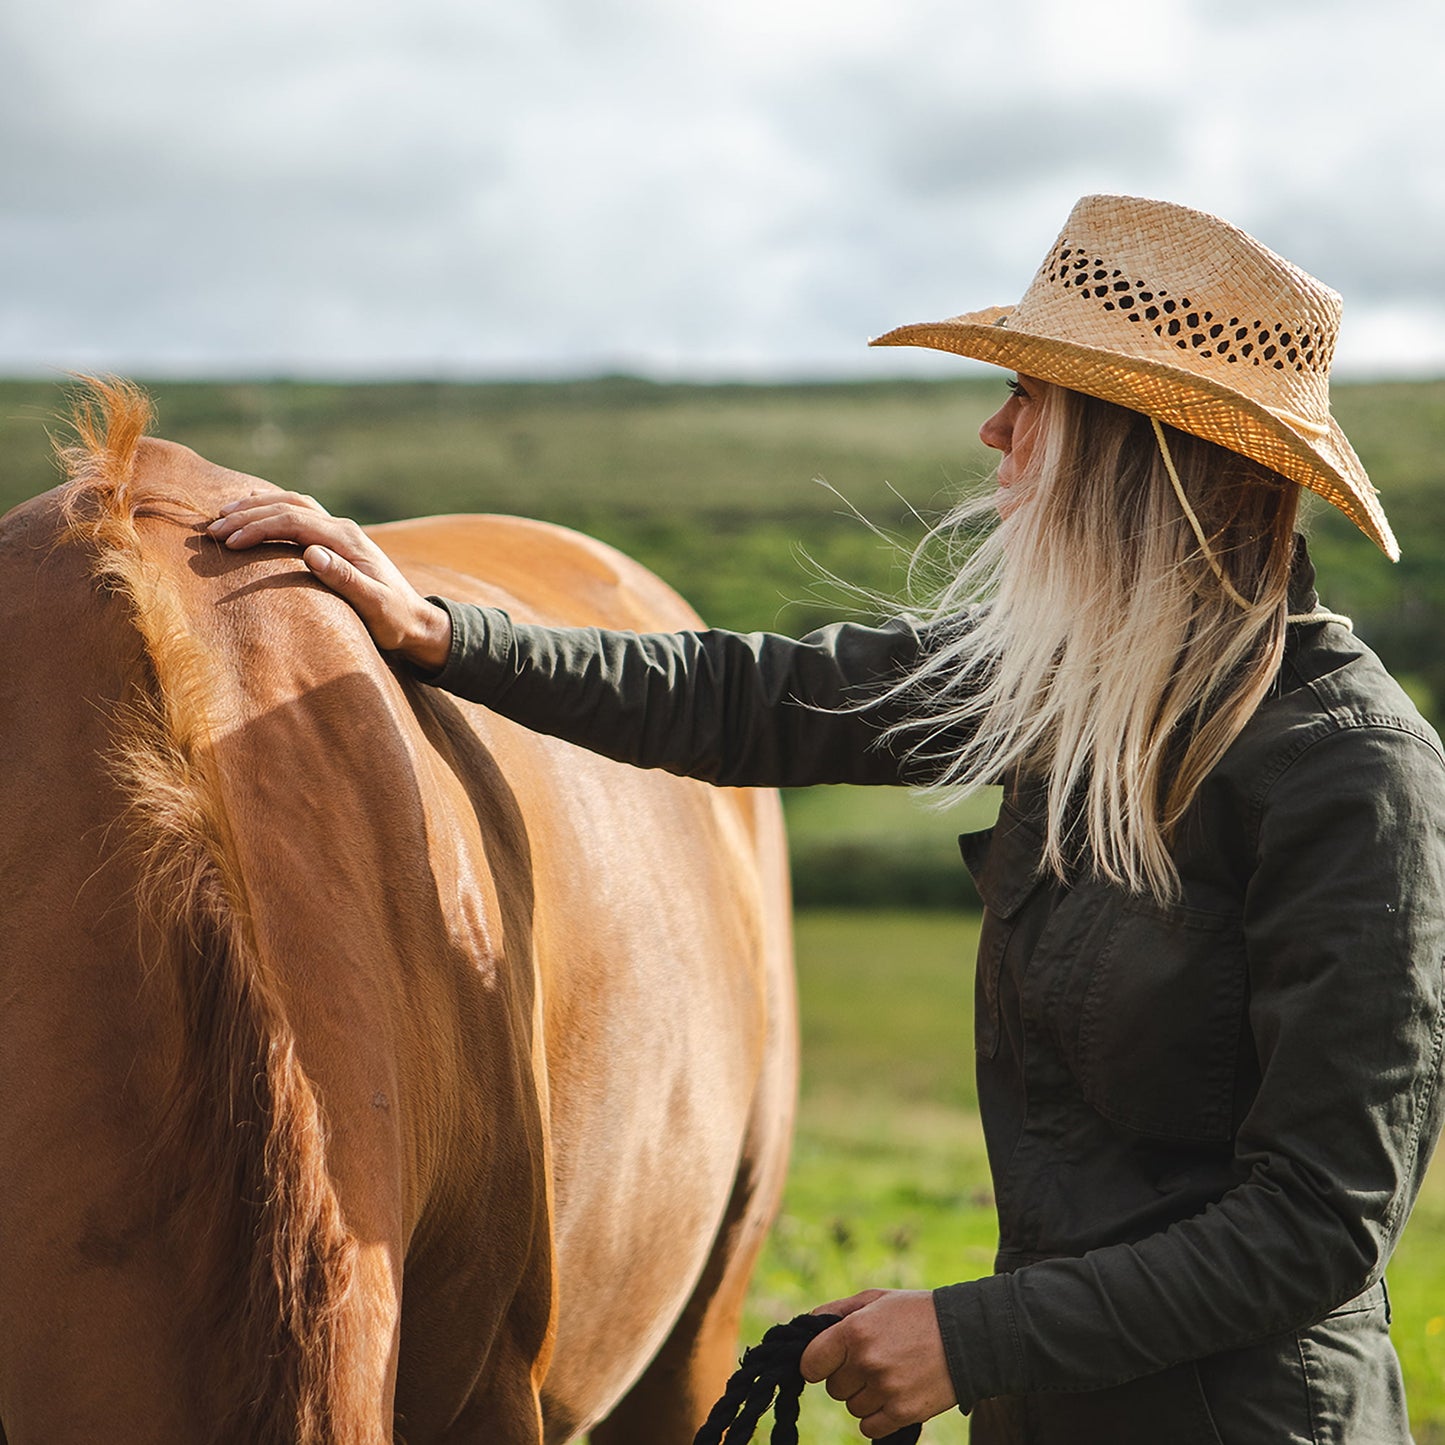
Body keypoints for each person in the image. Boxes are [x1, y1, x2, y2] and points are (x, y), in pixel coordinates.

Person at [210, 195, 1445, 1444]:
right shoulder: (1088, 682)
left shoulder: (1353, 777)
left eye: (1034, 398)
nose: (994, 428)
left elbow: (1317, 1224)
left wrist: (967, 1335)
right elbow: (747, 696)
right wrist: (443, 631)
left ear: (1139, 452)